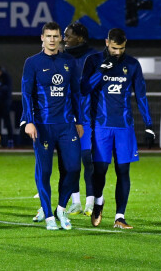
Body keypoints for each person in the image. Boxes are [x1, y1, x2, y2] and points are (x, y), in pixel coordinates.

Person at [81, 28, 155, 229]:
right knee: (101, 170)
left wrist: (148, 125)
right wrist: (101, 71)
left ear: (125, 44)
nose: (117, 52)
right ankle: (98, 203)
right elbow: (84, 89)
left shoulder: (132, 64)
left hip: (124, 126)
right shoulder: (93, 61)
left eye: (121, 48)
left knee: (123, 170)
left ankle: (119, 217)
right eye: (114, 48)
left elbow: (140, 95)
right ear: (107, 42)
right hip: (101, 126)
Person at [21, 21, 83, 231]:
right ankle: (48, 216)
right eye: (48, 36)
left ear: (60, 38)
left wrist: (80, 120)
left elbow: (75, 92)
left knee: (74, 167)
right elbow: (27, 93)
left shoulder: (70, 62)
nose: (52, 40)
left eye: (56, 36)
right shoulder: (32, 62)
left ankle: (60, 208)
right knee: (44, 171)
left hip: (66, 124)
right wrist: (29, 120)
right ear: (42, 38)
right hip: (43, 125)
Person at [63, 22, 99, 217]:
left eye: (68, 35)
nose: (64, 39)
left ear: (81, 38)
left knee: (88, 159)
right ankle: (75, 202)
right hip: (67, 117)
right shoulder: (62, 58)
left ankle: (91, 203)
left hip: (88, 117)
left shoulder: (94, 57)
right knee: (71, 161)